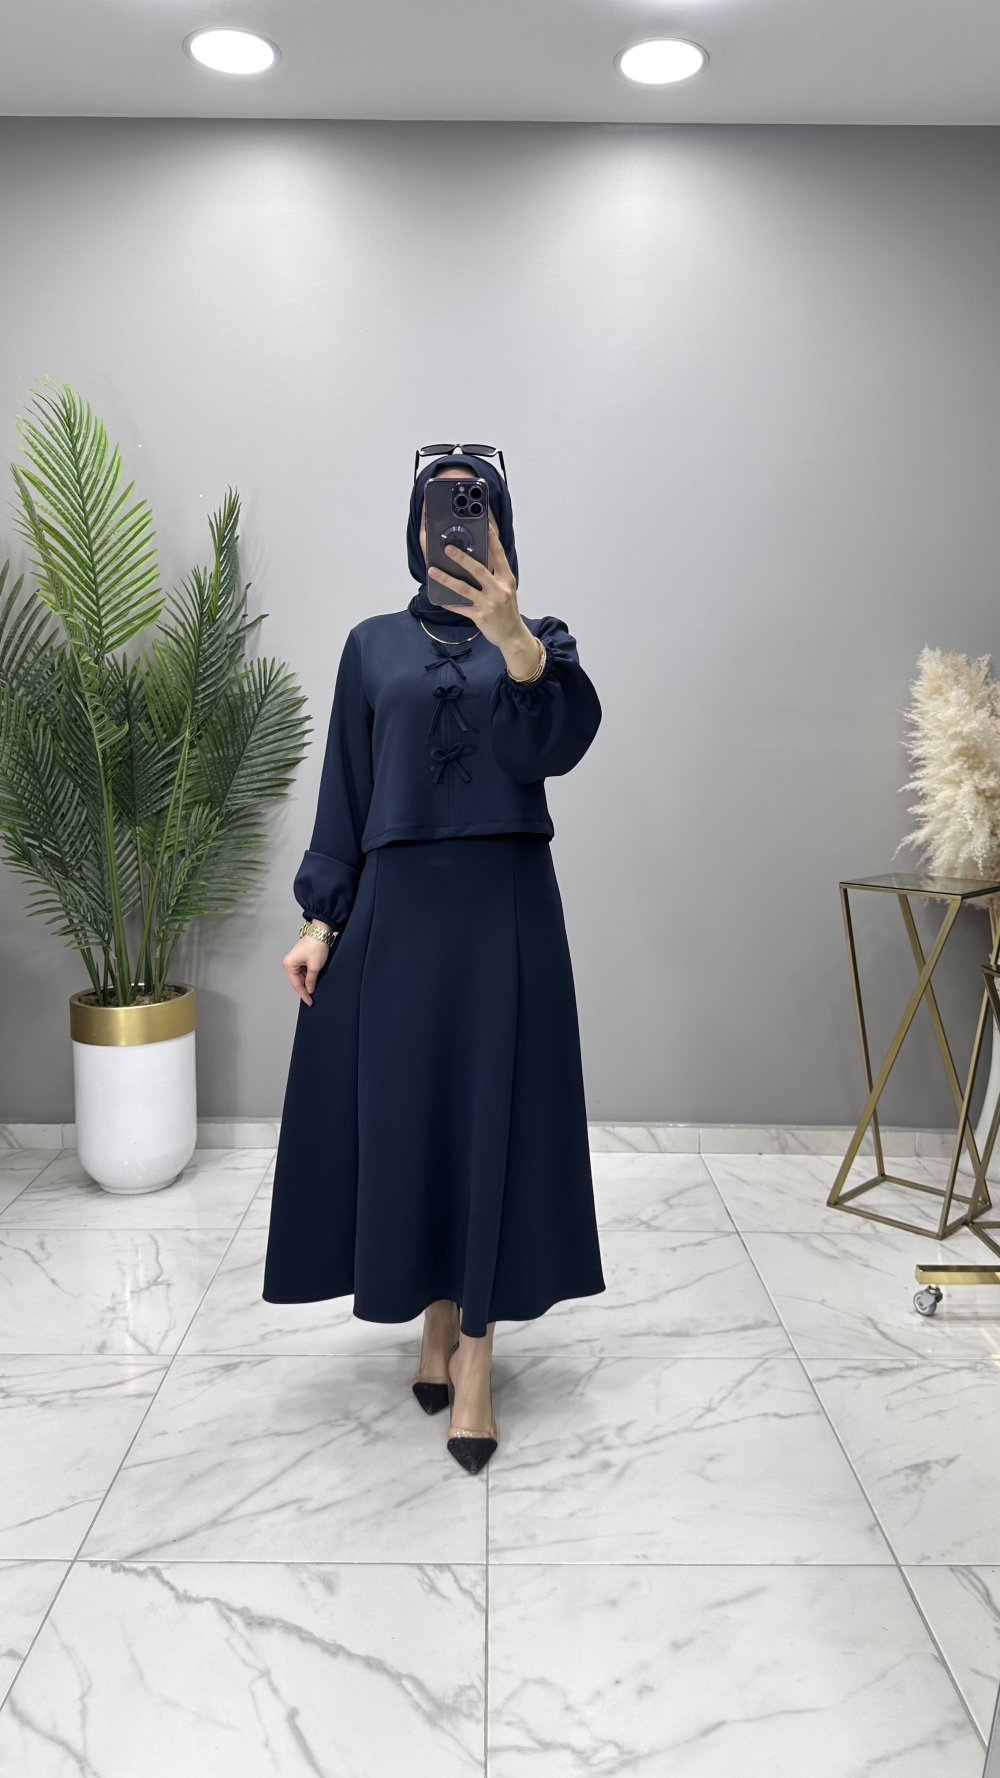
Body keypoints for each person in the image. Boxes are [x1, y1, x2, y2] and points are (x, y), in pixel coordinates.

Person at [261, 449, 606, 1473]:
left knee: (493, 1118)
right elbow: (347, 787)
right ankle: (435, 1319)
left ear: (500, 526)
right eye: (441, 509)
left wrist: (514, 639)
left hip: (505, 907)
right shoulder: (369, 645)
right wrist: (321, 920)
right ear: (417, 530)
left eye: (475, 508)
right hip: (399, 913)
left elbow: (554, 748)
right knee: (416, 1118)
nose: (456, 526)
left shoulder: (542, 641)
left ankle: (475, 1363)